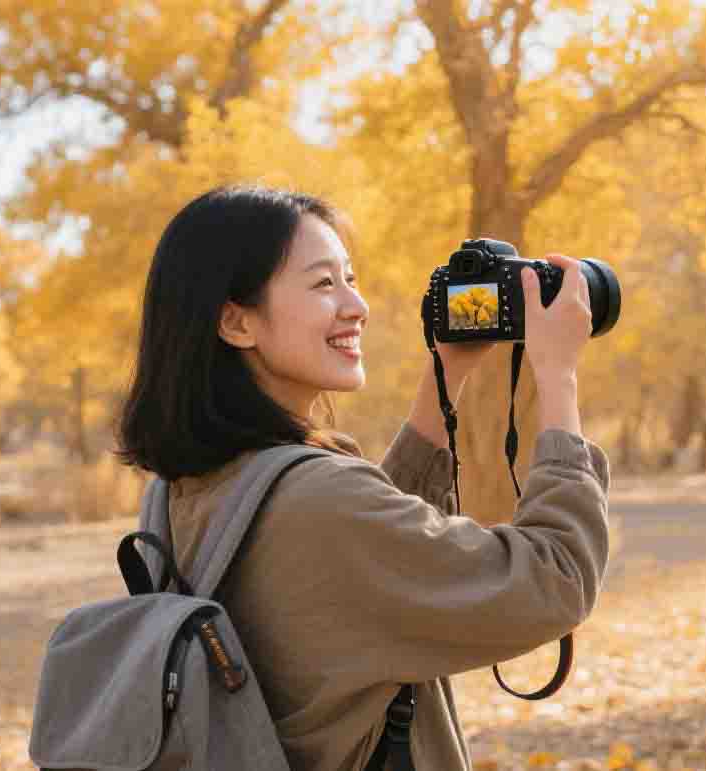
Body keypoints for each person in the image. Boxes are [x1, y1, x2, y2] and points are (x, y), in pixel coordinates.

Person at [116, 185, 611, 771]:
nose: (357, 306)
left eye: (351, 278)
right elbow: (554, 581)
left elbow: (365, 557)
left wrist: (445, 380)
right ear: (235, 321)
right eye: (325, 284)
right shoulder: (316, 502)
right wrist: (557, 377)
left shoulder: (186, 492)